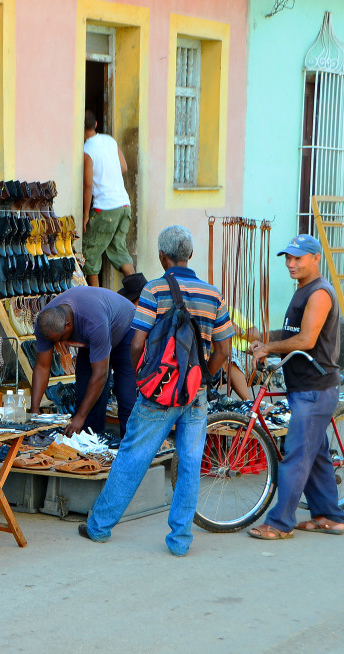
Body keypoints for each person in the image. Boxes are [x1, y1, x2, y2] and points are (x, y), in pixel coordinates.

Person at [80, 225, 232, 556]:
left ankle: (99, 526)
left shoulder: (154, 290)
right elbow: (223, 352)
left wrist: (143, 378)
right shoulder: (213, 294)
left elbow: (136, 343)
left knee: (133, 455)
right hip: (195, 394)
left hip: (158, 391)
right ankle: (180, 541)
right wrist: (203, 378)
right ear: (190, 254)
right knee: (191, 462)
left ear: (162, 256)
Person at [247, 234, 344, 539]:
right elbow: (292, 332)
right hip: (304, 386)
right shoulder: (303, 290)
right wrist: (261, 337)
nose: (291, 264)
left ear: (316, 258)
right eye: (288, 258)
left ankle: (279, 524)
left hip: (315, 389)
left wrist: (269, 348)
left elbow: (306, 340)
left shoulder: (319, 293)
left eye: (298, 258)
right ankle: (329, 516)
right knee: (314, 455)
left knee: (296, 456)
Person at [28, 286, 137, 437]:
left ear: (68, 325)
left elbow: (101, 375)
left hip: (125, 330)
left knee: (125, 395)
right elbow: (42, 366)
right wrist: (35, 409)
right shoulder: (46, 323)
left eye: (60, 339)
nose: (58, 345)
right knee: (85, 394)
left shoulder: (93, 322)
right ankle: (93, 445)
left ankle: (130, 451)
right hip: (92, 340)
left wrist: (79, 417)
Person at [82, 109, 136, 287]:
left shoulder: (87, 150)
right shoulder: (109, 140)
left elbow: (88, 185)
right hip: (124, 205)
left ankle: (95, 301)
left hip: (105, 209)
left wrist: (85, 215)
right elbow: (124, 167)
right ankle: (139, 294)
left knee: (89, 255)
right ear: (96, 124)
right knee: (119, 252)